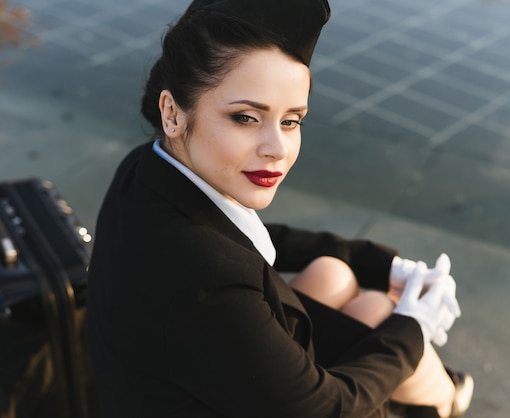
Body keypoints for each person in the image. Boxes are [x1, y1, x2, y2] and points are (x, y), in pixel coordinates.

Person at [86, 0, 473, 417]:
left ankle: (443, 395)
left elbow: (247, 241)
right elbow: (323, 409)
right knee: (385, 318)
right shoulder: (205, 278)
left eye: (291, 121)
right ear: (172, 112)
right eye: (247, 118)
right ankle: (444, 401)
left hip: (151, 387)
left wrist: (383, 266)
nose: (277, 149)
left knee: (333, 272)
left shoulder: (146, 170)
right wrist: (413, 326)